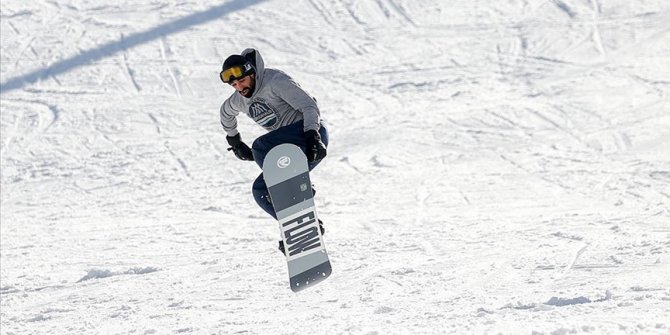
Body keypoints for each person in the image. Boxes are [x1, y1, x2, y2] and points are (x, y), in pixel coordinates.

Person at [218, 48, 328, 254]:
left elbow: (309, 106)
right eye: (234, 85)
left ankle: (296, 179)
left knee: (260, 146)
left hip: (308, 134)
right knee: (260, 190)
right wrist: (235, 141)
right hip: (285, 149)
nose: (239, 87)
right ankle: (301, 226)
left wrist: (313, 136)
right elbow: (225, 114)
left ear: (252, 73)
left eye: (242, 81)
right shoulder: (238, 100)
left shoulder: (275, 81)